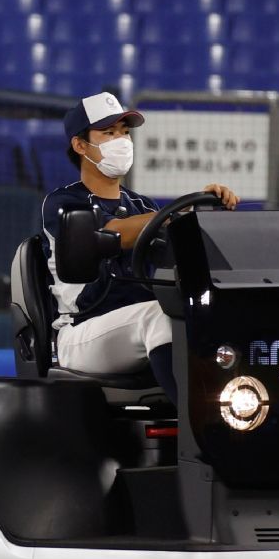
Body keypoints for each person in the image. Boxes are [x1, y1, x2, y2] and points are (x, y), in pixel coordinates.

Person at [40, 92, 239, 404]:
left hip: (134, 326)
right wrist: (174, 214)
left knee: (207, 314)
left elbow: (164, 244)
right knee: (158, 317)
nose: (121, 140)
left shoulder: (142, 205)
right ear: (80, 145)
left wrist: (200, 213)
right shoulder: (63, 203)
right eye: (108, 133)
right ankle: (203, 426)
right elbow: (109, 233)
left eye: (125, 132)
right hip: (83, 329)